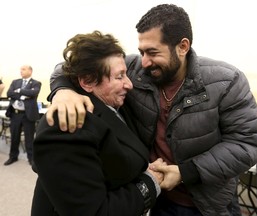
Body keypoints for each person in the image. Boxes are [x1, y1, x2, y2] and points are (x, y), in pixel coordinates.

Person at [47, 4, 257, 216]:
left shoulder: (226, 81)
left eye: (152, 52)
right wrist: (63, 90)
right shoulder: (135, 70)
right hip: (157, 199)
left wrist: (184, 173)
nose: (144, 62)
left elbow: (247, 143)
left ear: (183, 47)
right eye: (141, 51)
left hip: (210, 205)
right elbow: (75, 65)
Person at [31, 30, 165, 216]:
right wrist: (151, 182)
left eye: (126, 74)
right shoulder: (67, 127)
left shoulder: (113, 105)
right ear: (88, 81)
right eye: (119, 77)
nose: (129, 84)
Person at [4, 65, 41, 166]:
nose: (21, 71)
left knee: (29, 138)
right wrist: (24, 96)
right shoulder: (15, 82)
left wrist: (19, 91)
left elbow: (34, 93)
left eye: (23, 69)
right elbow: (9, 93)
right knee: (14, 137)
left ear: (30, 71)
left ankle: (31, 159)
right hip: (15, 114)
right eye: (20, 69)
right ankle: (13, 157)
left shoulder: (36, 83)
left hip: (28, 115)